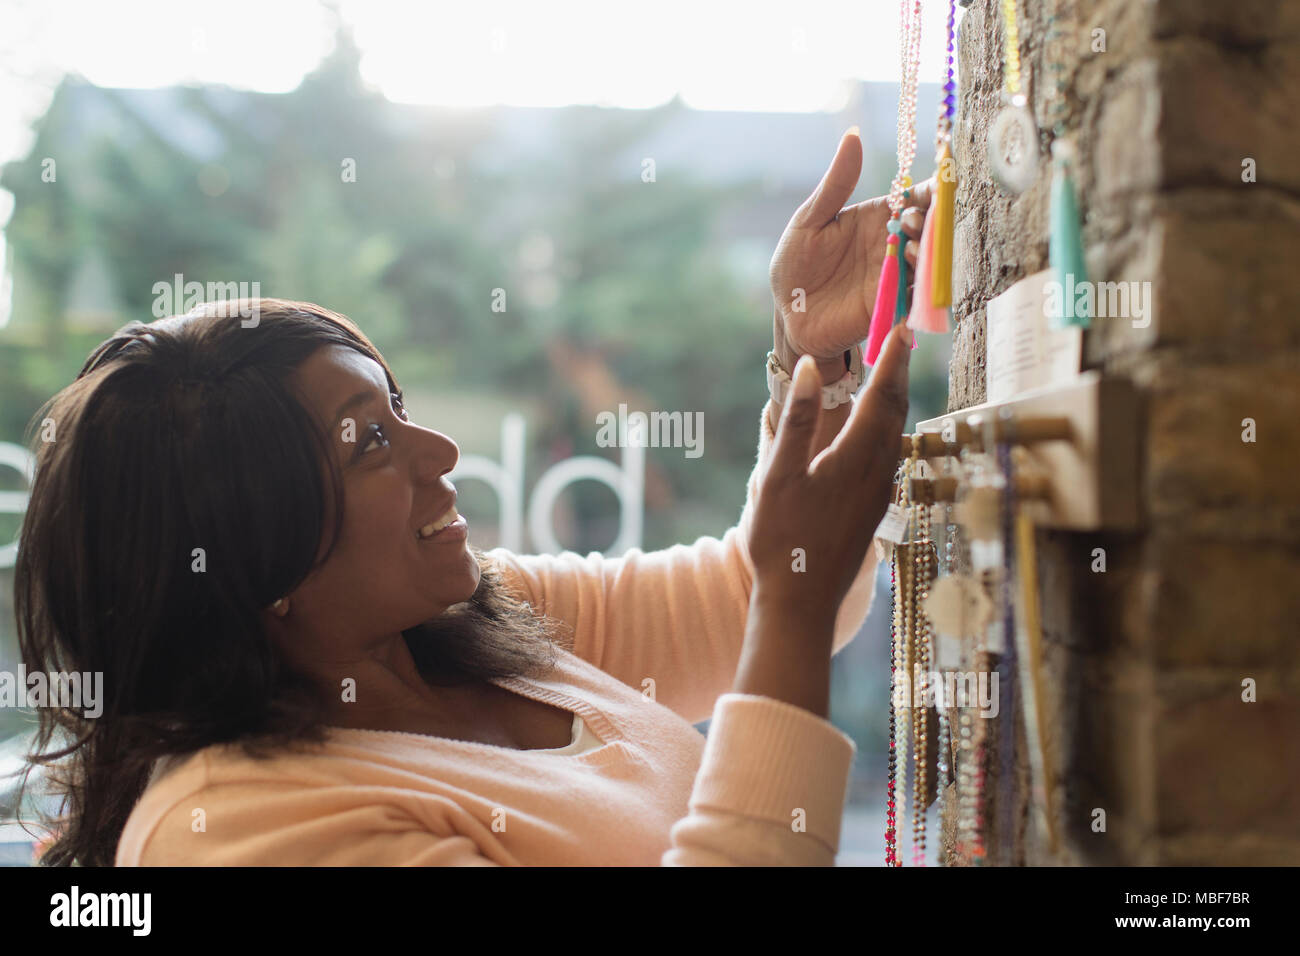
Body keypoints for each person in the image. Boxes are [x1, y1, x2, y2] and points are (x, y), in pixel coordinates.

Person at [14, 130, 931, 866]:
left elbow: (746, 601)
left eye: (398, 407)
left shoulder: (477, 621)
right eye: (370, 440)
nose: (441, 451)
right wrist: (792, 606)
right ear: (251, 554)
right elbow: (784, 608)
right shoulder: (240, 827)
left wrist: (815, 360)